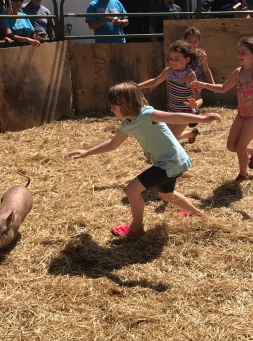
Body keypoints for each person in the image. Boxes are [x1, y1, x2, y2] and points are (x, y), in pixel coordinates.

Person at [68, 82, 221, 237]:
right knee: (166, 195)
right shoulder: (126, 123)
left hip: (171, 161)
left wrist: (203, 118)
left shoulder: (147, 114)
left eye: (114, 106)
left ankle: (136, 228)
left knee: (132, 189)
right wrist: (87, 152)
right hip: (168, 162)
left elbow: (174, 117)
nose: (111, 109)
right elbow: (113, 144)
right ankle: (197, 213)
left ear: (125, 104)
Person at [191, 36, 253, 182]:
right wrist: (204, 84)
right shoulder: (238, 72)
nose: (239, 55)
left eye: (243, 52)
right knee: (231, 146)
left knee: (240, 147)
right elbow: (222, 88)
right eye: (238, 52)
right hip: (241, 115)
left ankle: (243, 175)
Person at [138, 40, 203, 144]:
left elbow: (199, 98)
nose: (173, 61)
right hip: (172, 110)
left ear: (187, 60)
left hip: (185, 113)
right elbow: (155, 81)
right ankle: (191, 133)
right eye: (171, 58)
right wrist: (137, 87)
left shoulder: (190, 76)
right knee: (167, 136)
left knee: (169, 139)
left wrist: (195, 105)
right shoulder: (169, 71)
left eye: (177, 59)